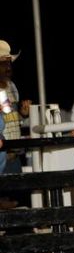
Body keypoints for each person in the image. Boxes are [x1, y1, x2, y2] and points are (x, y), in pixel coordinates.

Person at [0, 40, 31, 175]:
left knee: (15, 193)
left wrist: (22, 114)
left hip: (14, 154)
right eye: (3, 63)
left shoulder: (11, 86)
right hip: (2, 154)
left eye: (9, 63)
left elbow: (9, 115)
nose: (8, 67)